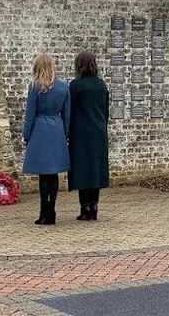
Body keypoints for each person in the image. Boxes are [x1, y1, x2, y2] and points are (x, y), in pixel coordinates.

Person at [22, 53, 70, 225]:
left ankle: (44, 211)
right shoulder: (64, 87)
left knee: (44, 175)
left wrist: (26, 134)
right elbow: (67, 114)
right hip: (56, 128)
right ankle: (52, 210)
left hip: (40, 129)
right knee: (54, 173)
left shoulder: (35, 87)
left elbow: (30, 114)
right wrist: (65, 134)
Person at [68, 51, 110, 221]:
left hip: (80, 132)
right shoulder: (101, 85)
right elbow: (106, 110)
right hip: (99, 131)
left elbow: (69, 111)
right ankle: (94, 206)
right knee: (96, 169)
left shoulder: (75, 86)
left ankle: (84, 207)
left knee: (82, 169)